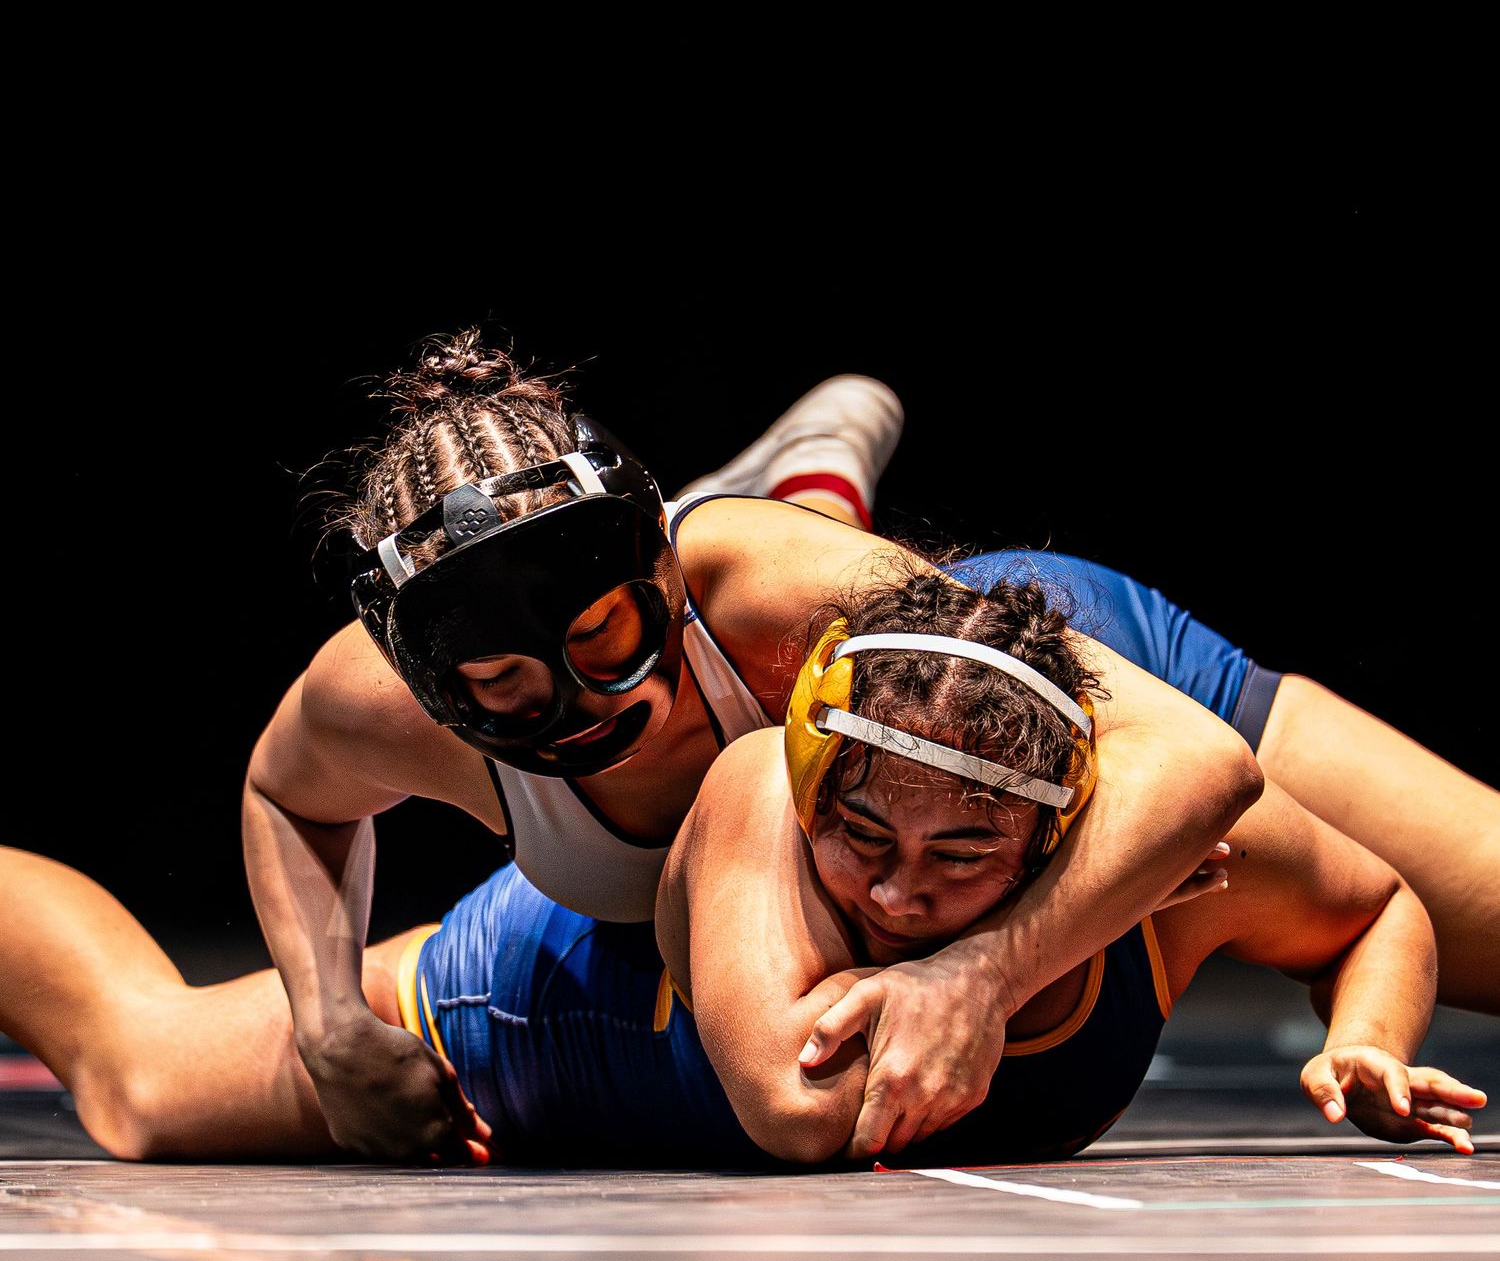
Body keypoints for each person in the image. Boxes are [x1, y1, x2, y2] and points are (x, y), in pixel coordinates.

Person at [0, 568, 1483, 1167]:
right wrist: (1001, 954)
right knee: (135, 1074)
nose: (899, 895)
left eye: (965, 857)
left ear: (1075, 833)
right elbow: (792, 1103)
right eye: (865, 847)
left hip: (1030, 650)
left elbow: (1379, 899)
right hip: (524, 985)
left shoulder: (1162, 862)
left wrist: (1364, 1042)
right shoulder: (753, 785)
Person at [244, 330, 1262, 1163]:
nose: (585, 707)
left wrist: (1005, 955)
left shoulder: (752, 582)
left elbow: (1199, 759)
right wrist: (327, 1022)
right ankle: (797, 490)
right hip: (737, 801)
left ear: (665, 575)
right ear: (435, 688)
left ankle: (817, 478)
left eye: (606, 640)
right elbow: (286, 797)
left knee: (812, 593)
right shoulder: (371, 697)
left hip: (910, 638)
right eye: (509, 690)